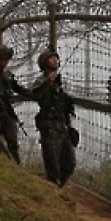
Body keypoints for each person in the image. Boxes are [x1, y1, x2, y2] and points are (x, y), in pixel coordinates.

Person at [30, 48, 77, 187]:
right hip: (49, 126)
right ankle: (54, 189)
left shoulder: (59, 83)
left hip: (62, 125)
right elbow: (36, 94)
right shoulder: (40, 81)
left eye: (56, 58)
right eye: (51, 58)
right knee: (52, 162)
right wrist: (47, 83)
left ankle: (59, 186)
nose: (55, 60)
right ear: (44, 63)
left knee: (70, 163)